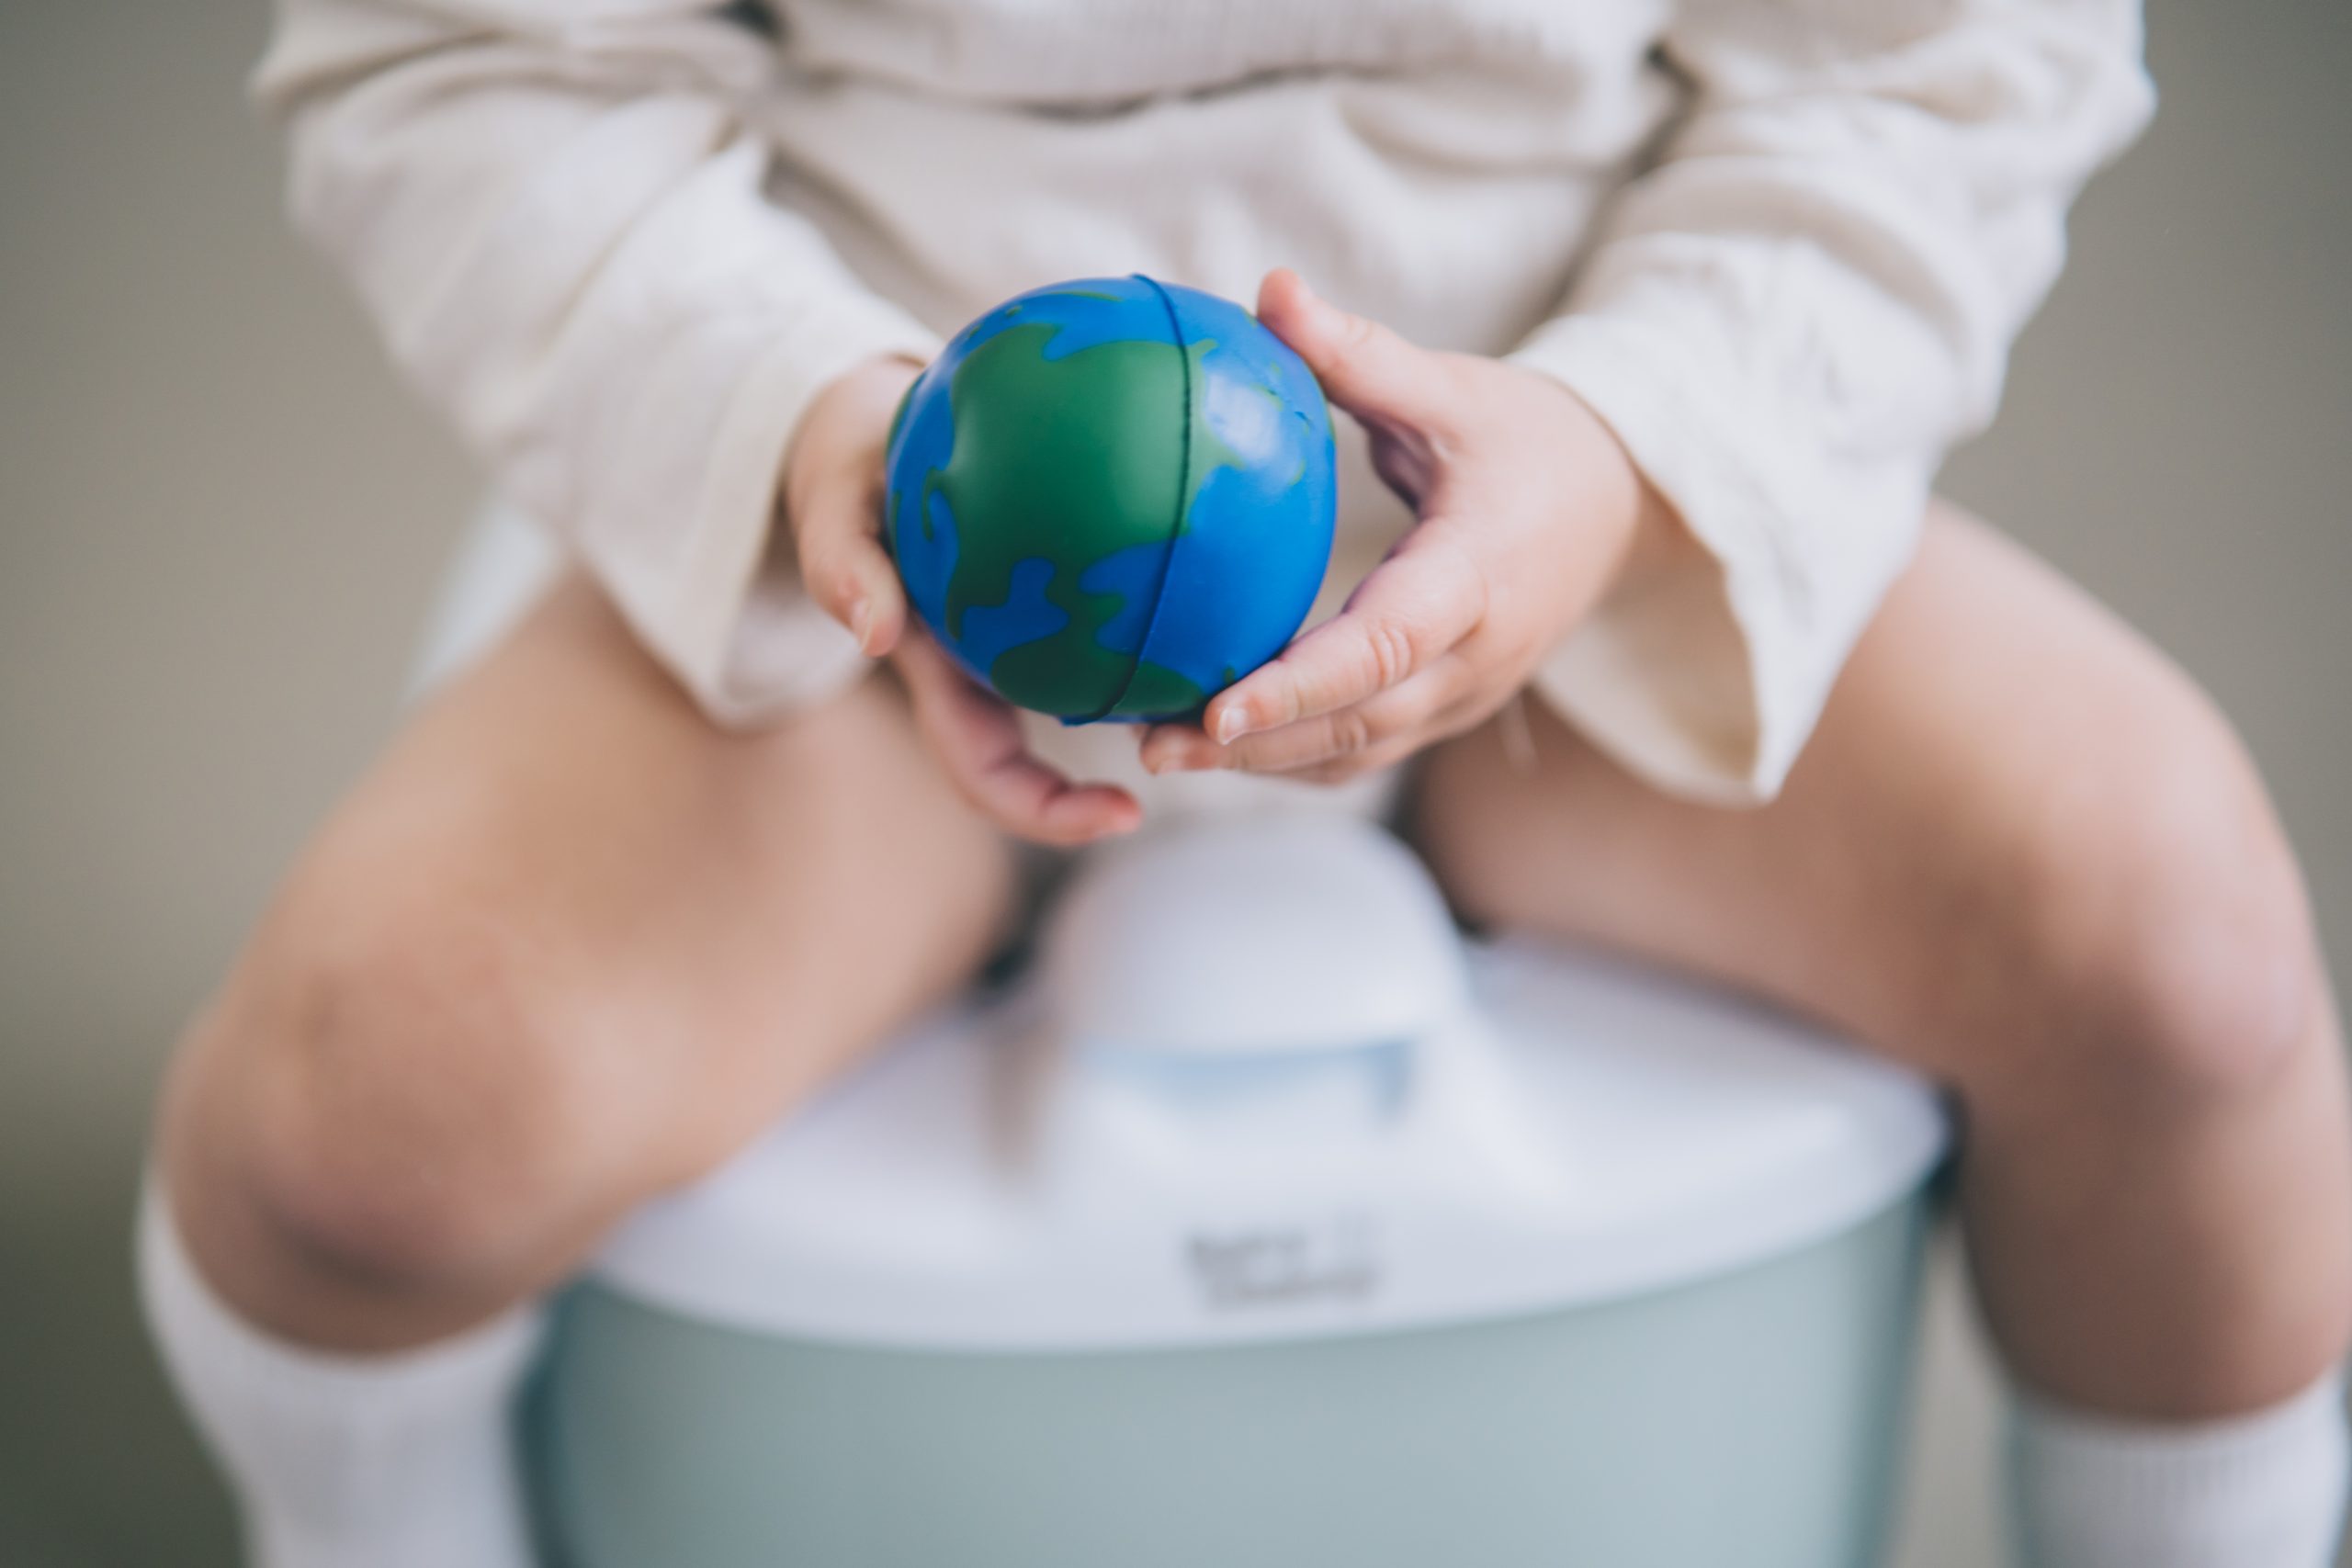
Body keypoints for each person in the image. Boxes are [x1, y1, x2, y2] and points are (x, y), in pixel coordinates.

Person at [140, 1, 2351, 1564]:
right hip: (871, 550)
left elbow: (1936, 59)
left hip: (1593, 525)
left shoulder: (1611, 489)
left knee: (2186, 959)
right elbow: (470, 65)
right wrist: (791, 410)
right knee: (361, 1112)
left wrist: (1631, 447)